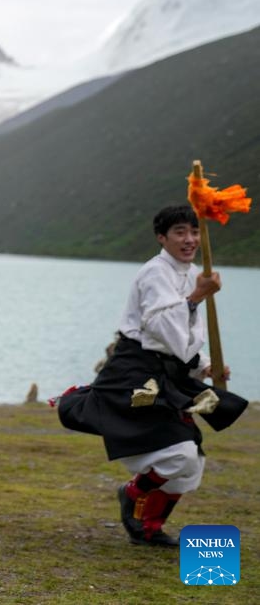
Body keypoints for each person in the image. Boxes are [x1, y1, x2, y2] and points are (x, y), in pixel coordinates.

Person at [57, 205, 248, 546]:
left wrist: (204, 365)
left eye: (194, 232)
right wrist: (196, 297)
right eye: (179, 232)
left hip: (167, 372)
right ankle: (132, 492)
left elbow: (187, 334)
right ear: (162, 237)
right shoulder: (154, 273)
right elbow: (159, 327)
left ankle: (147, 527)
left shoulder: (190, 274)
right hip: (135, 372)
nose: (189, 240)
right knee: (180, 453)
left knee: (190, 462)